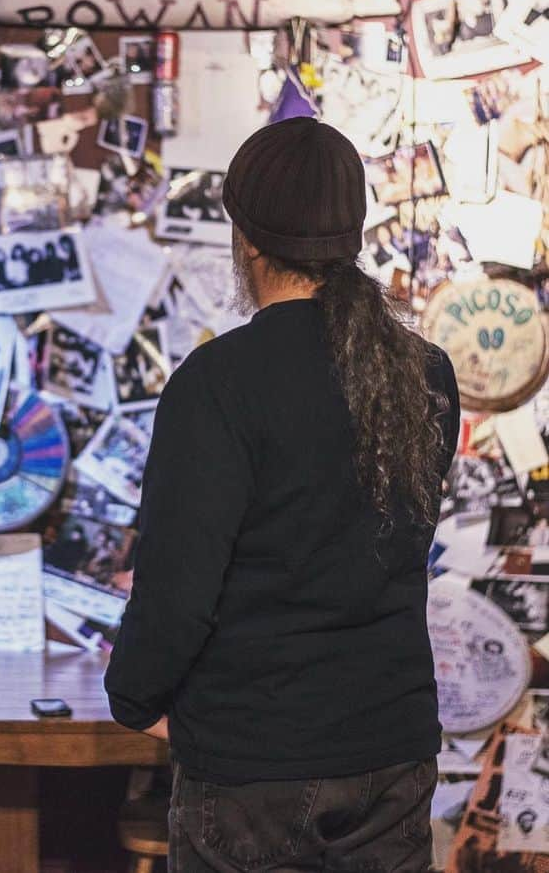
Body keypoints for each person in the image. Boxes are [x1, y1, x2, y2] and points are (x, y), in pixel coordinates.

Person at [105, 118, 460, 872]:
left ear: (248, 239)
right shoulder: (425, 373)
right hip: (391, 754)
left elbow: (177, 593)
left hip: (252, 763)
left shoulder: (217, 384)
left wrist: (132, 697)